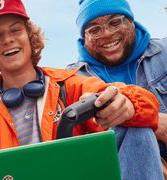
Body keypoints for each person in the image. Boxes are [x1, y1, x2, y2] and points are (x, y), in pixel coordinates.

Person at [0, 0, 163, 179]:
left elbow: (127, 96)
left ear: (30, 38)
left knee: (137, 130)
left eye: (15, 30)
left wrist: (126, 103)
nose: (7, 40)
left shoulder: (70, 83)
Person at [67, 0, 167, 177]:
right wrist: (152, 121)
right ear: (84, 37)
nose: (106, 34)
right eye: (94, 29)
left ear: (131, 22)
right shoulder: (72, 80)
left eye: (114, 22)